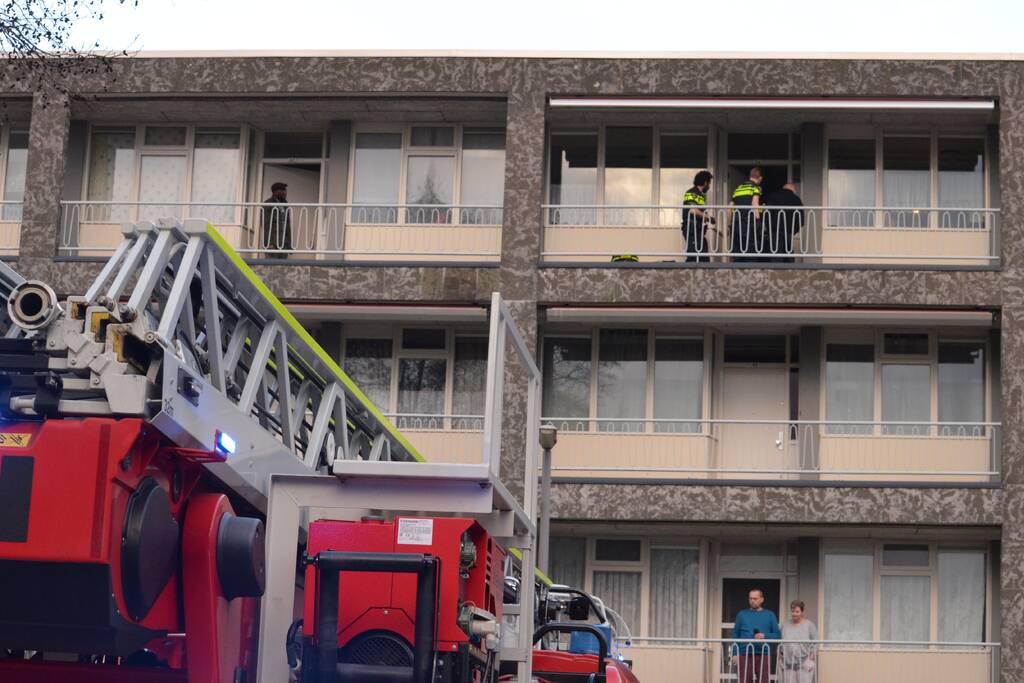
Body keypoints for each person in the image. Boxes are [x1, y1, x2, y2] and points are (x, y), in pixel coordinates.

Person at [732, 588, 780, 683]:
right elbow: (735, 634)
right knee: (744, 680)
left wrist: (764, 636)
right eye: (750, 598)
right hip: (744, 653)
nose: (752, 601)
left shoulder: (770, 615)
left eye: (755, 598)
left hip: (763, 653)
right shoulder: (742, 614)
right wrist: (734, 653)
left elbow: (777, 635)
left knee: (764, 681)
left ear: (762, 599)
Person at [763, 183, 805, 263]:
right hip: (789, 230)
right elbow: (801, 217)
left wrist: (769, 228)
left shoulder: (773, 196)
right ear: (793, 189)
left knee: (776, 251)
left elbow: (767, 213)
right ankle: (790, 270)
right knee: (788, 251)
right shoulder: (796, 199)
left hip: (775, 229)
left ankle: (775, 270)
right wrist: (795, 230)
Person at [730, 167, 764, 261]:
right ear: (760, 178)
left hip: (736, 223)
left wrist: (729, 223)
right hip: (749, 223)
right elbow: (755, 204)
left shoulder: (738, 188)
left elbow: (730, 206)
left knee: (737, 250)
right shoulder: (755, 188)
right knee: (750, 250)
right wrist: (758, 222)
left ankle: (736, 272)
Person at [682, 170, 716, 262]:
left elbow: (700, 212)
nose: (709, 186)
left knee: (704, 257)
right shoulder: (692, 193)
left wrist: (708, 218)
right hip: (692, 229)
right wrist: (708, 217)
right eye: (709, 183)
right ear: (705, 182)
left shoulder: (700, 195)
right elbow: (693, 210)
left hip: (698, 230)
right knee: (693, 256)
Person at [780, 600, 818, 683]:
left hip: (804, 663)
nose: (794, 614)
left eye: (797, 612)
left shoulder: (809, 625)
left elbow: (816, 642)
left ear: (802, 612)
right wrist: (781, 653)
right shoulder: (785, 625)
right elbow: (781, 641)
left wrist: (811, 657)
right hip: (788, 664)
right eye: (793, 611)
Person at [262, 181, 291, 258]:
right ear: (276, 192)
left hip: (284, 243)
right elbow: (266, 224)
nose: (285, 193)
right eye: (283, 190)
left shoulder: (285, 204)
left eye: (285, 190)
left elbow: (287, 225)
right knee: (271, 267)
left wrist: (289, 244)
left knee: (283, 267)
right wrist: (269, 243)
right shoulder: (268, 203)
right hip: (273, 243)